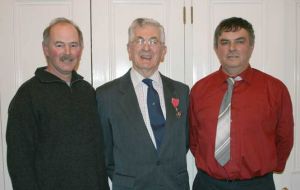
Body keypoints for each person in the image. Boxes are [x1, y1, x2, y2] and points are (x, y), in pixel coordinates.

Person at [189, 17, 294, 190]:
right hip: (208, 184)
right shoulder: (199, 90)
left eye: (239, 41)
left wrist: (267, 167)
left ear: (251, 46)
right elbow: (194, 138)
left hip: (257, 184)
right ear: (216, 48)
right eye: (224, 42)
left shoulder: (275, 89)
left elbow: (285, 138)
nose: (231, 49)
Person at [6, 17, 109, 190]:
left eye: (73, 45)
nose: (67, 52)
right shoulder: (28, 95)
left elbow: (97, 153)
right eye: (59, 45)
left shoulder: (87, 91)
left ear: (81, 50)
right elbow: (19, 161)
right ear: (46, 49)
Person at [96, 18, 190, 190]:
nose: (146, 47)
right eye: (139, 40)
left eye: (154, 41)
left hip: (174, 185)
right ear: (129, 50)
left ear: (163, 51)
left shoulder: (182, 92)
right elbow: (105, 152)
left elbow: (185, 142)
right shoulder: (106, 96)